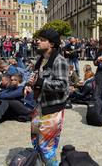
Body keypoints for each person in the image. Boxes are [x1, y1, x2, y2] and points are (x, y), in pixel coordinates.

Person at [29, 28, 69, 166]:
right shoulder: (40, 60)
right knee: (36, 141)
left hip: (52, 110)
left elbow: (63, 85)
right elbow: (34, 77)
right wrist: (29, 85)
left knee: (47, 147)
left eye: (42, 40)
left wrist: (41, 82)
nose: (37, 41)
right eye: (38, 39)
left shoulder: (60, 61)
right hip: (38, 107)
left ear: (51, 44)